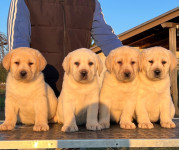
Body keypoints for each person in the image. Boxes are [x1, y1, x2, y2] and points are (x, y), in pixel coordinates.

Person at [8, 0, 123, 96]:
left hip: (78, 92)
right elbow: (18, 46)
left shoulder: (90, 2)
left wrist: (129, 62)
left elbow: (107, 37)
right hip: (41, 93)